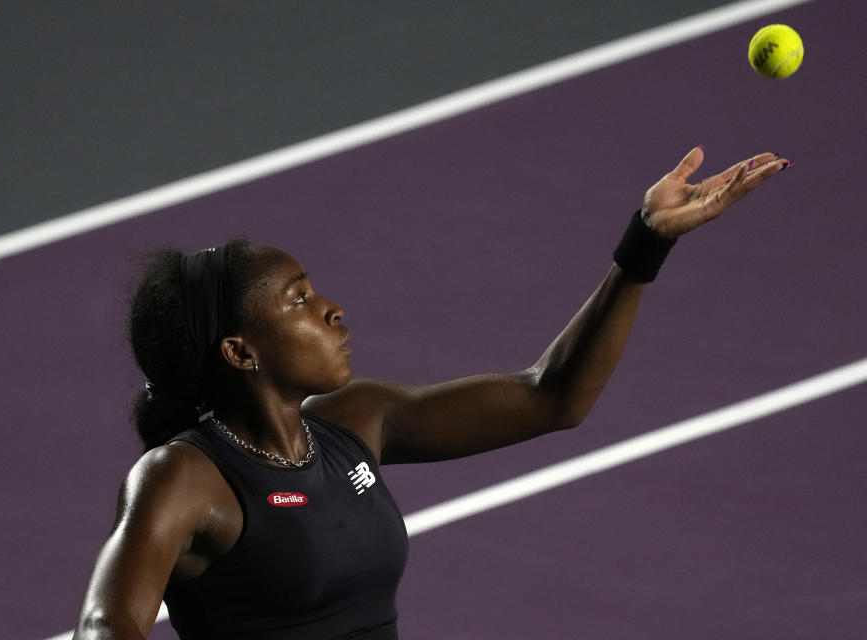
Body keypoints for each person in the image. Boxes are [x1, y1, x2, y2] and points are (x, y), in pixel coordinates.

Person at [72, 147, 790, 639]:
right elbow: (107, 626)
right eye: (299, 300)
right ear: (240, 351)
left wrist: (646, 244)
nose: (333, 310)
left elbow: (553, 397)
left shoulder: (356, 422)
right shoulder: (185, 477)